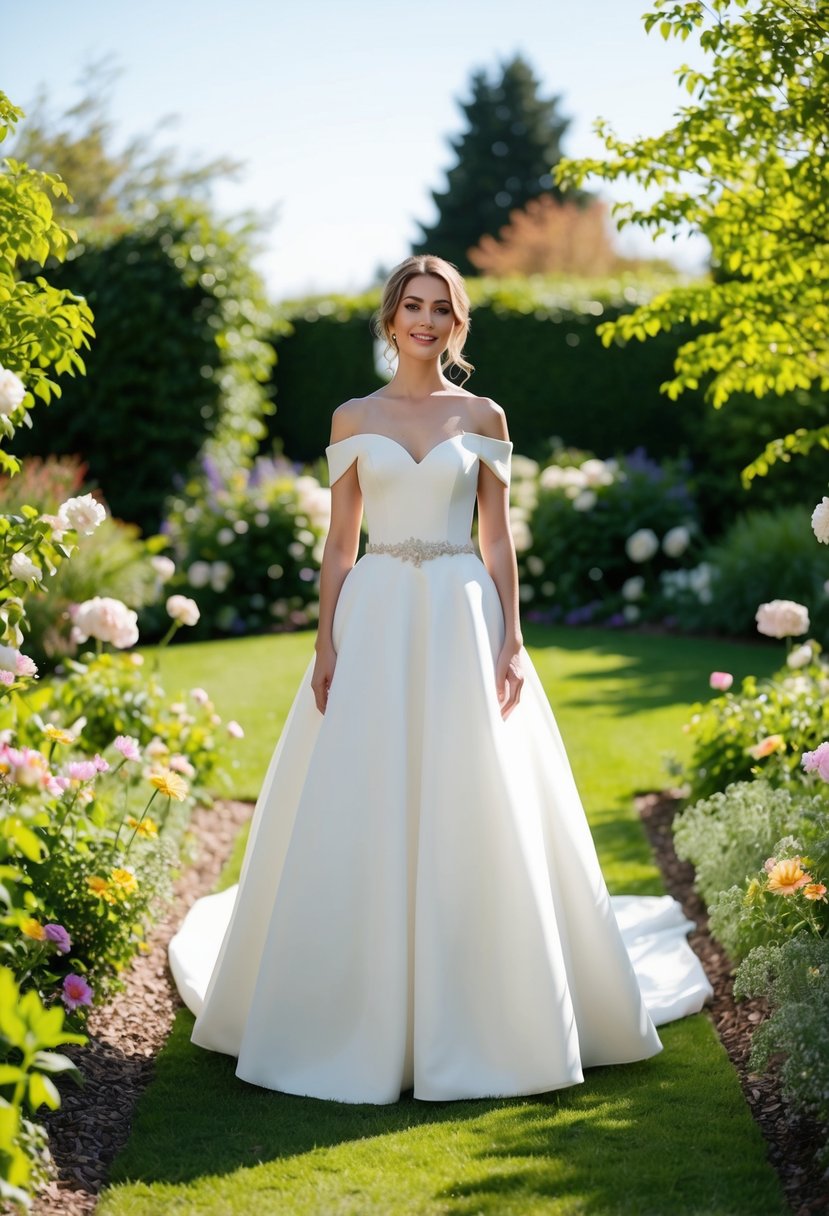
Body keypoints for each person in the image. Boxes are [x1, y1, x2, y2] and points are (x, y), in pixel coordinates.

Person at [168, 254, 712, 1105]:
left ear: (456, 325)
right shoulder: (354, 417)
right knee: (363, 790)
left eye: (441, 309)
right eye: (412, 306)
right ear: (390, 319)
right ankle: (347, 1010)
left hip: (462, 612)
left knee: (473, 793)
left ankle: (486, 1012)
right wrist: (324, 643)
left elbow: (498, 539)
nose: (425, 320)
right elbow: (339, 542)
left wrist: (512, 640)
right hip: (376, 611)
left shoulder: (482, 414)